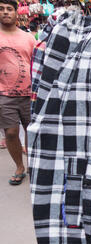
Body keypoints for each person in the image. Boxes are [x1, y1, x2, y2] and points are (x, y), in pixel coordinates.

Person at [0, 0, 36, 185]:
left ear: (16, 13)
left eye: (9, 9)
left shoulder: (28, 38)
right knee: (11, 133)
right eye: (1, 9)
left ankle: (34, 165)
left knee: (33, 131)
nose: (5, 12)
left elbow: (37, 64)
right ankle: (19, 167)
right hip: (4, 95)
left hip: (29, 94)